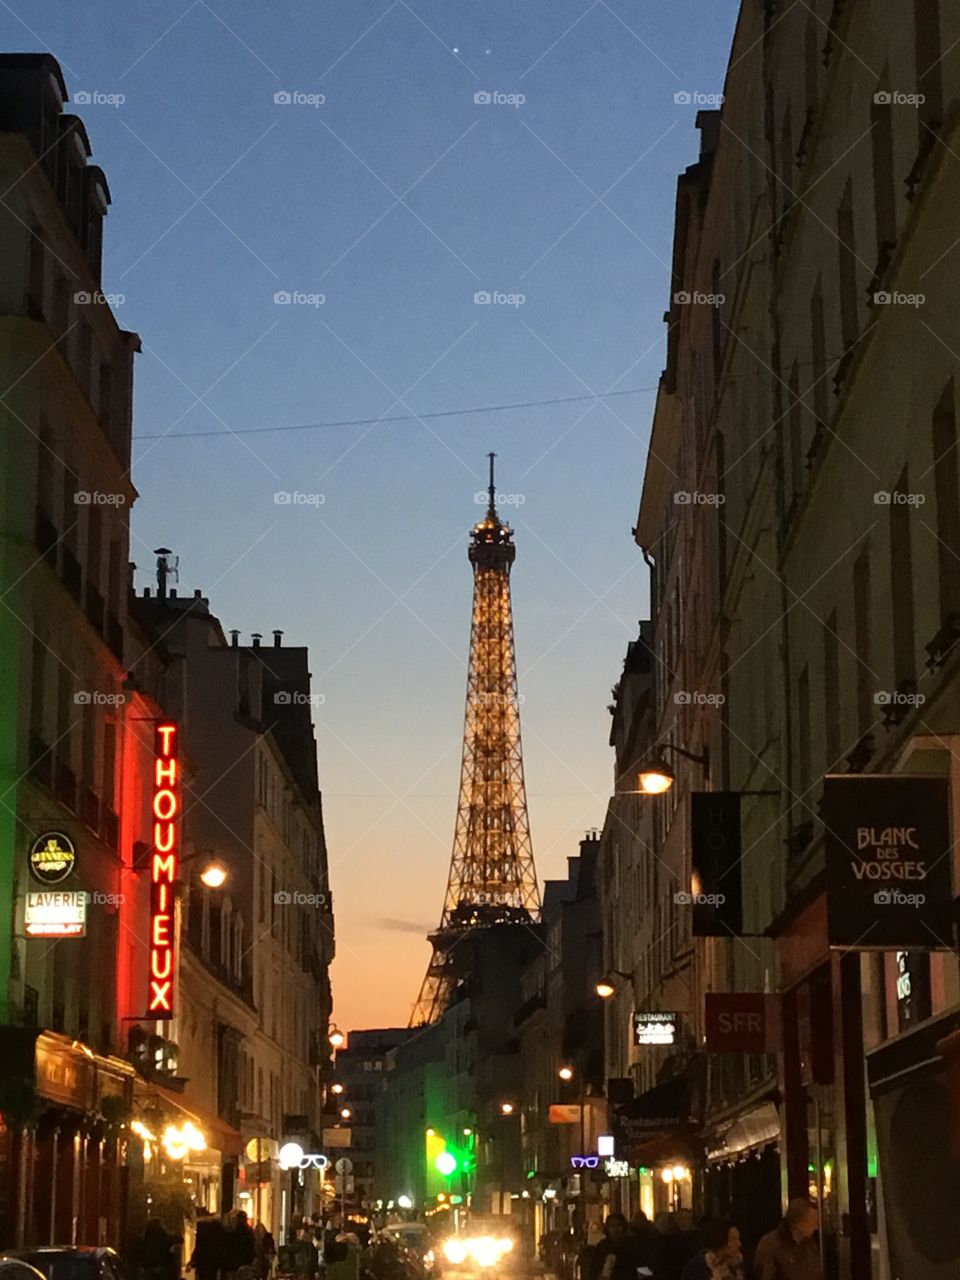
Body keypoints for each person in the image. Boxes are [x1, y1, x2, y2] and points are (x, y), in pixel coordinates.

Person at [753, 1199, 821, 1280]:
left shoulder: (810, 1246)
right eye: (813, 1222)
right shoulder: (770, 1245)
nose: (816, 1227)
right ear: (799, 1222)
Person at [587, 1213, 636, 1280]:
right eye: (612, 1226)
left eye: (618, 1225)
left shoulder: (631, 1245)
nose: (616, 1229)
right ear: (608, 1229)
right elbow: (594, 1270)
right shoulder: (602, 1247)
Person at [190, 1210, 226, 1280]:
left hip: (204, 1263)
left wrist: (193, 1260)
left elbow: (199, 1247)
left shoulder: (201, 1227)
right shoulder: (218, 1227)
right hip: (215, 1261)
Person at [224, 1209, 258, 1280]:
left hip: (237, 1267)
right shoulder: (249, 1233)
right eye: (232, 1219)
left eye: (235, 1219)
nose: (234, 1221)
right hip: (241, 1267)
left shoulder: (231, 1234)